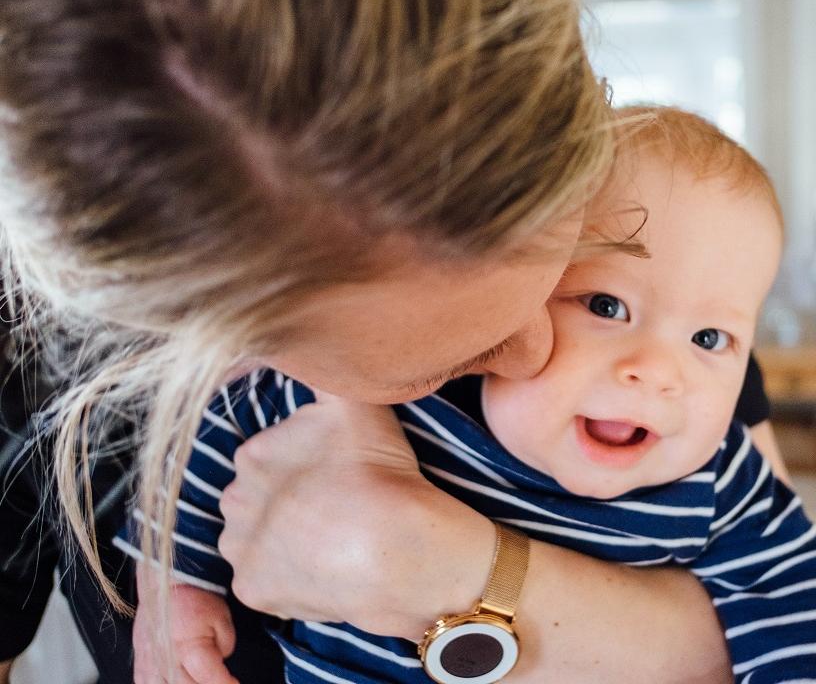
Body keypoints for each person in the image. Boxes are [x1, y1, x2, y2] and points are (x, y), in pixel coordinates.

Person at [0, 0, 787, 682]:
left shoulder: (657, 326)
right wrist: (174, 574)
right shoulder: (76, 386)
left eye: (569, 281)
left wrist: (453, 571)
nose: (539, 349)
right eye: (448, 360)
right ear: (214, 340)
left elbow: (768, 609)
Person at [122, 107, 816, 684]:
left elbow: (792, 608)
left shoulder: (721, 479)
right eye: (606, 306)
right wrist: (175, 585)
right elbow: (217, 430)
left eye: (710, 339)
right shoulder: (412, 390)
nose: (658, 371)